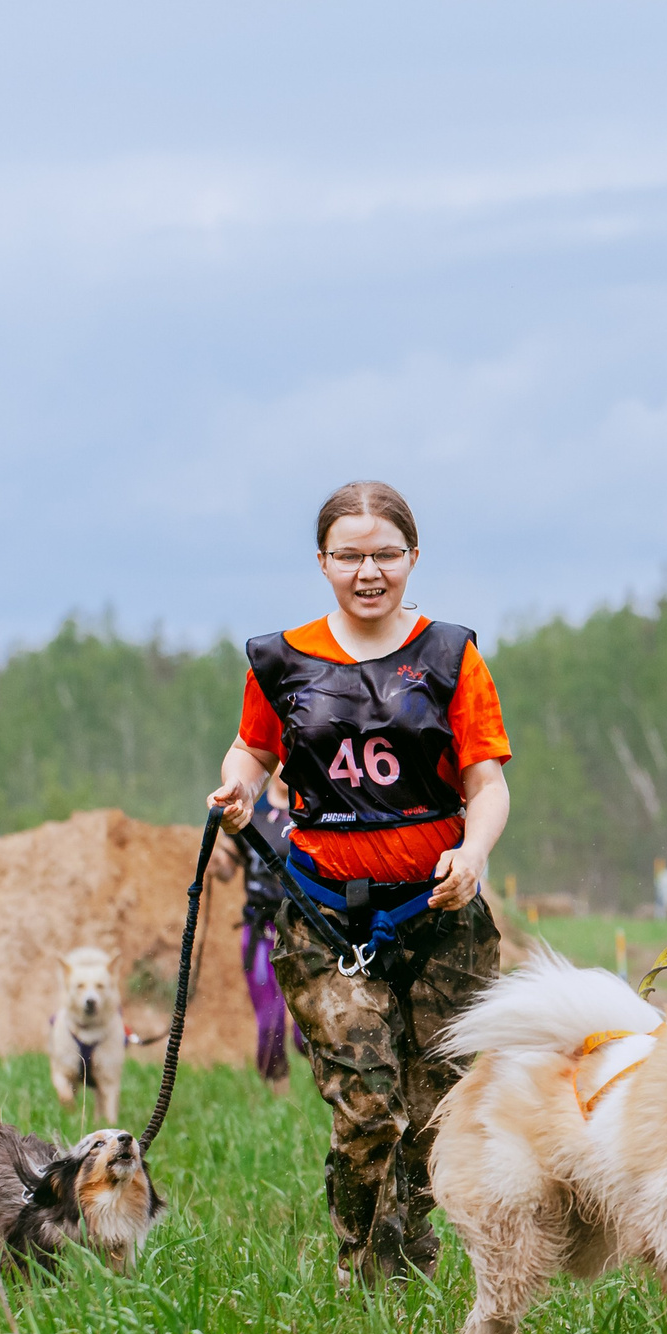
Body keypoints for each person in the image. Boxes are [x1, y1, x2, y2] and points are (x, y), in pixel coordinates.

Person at [209, 481, 512, 1284]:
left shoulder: (450, 656)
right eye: (349, 555)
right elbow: (252, 752)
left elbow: (488, 783)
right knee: (371, 1107)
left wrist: (472, 855)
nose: (368, 571)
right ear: (322, 562)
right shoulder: (281, 660)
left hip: (442, 920)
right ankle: (363, 1276)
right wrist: (238, 786)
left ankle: (409, 1253)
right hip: (325, 921)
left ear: (413, 557)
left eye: (384, 554)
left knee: (435, 1114)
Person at [206, 768, 303, 1084]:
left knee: (309, 1025)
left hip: (306, 929)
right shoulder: (251, 815)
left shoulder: (313, 812)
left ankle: (328, 1090)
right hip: (261, 931)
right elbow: (226, 869)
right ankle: (278, 1094)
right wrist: (215, 861)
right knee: (269, 1023)